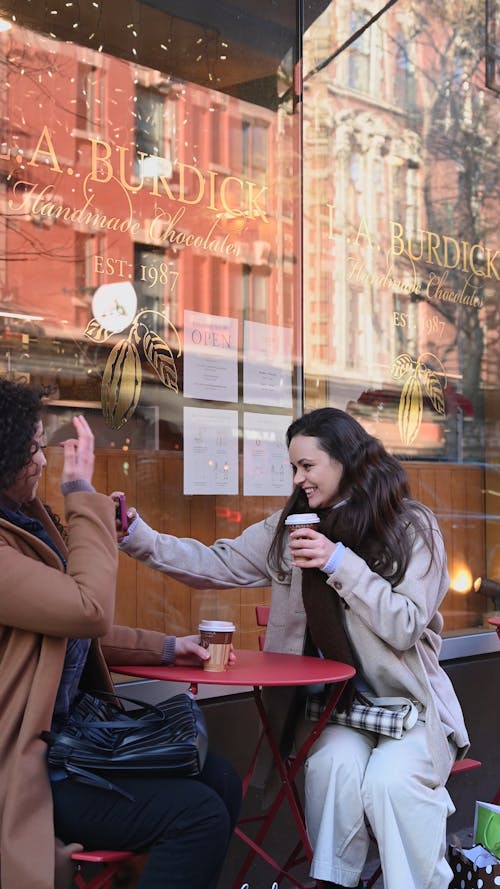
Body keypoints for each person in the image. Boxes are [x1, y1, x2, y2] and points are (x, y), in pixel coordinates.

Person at [119, 406, 470, 889]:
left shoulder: (410, 525)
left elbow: (407, 624)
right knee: (331, 768)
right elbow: (217, 563)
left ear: (345, 459)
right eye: (293, 468)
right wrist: (138, 537)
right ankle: (334, 883)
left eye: (308, 466)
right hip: (338, 712)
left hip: (410, 709)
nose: (299, 478)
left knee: (391, 784)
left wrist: (339, 562)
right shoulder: (292, 527)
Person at [0, 378, 241, 889]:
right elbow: (86, 609)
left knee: (218, 777)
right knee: (197, 815)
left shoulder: (23, 526)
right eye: (32, 450)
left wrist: (171, 648)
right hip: (24, 767)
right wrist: (79, 495)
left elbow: (66, 628)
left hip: (65, 744)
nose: (43, 462)